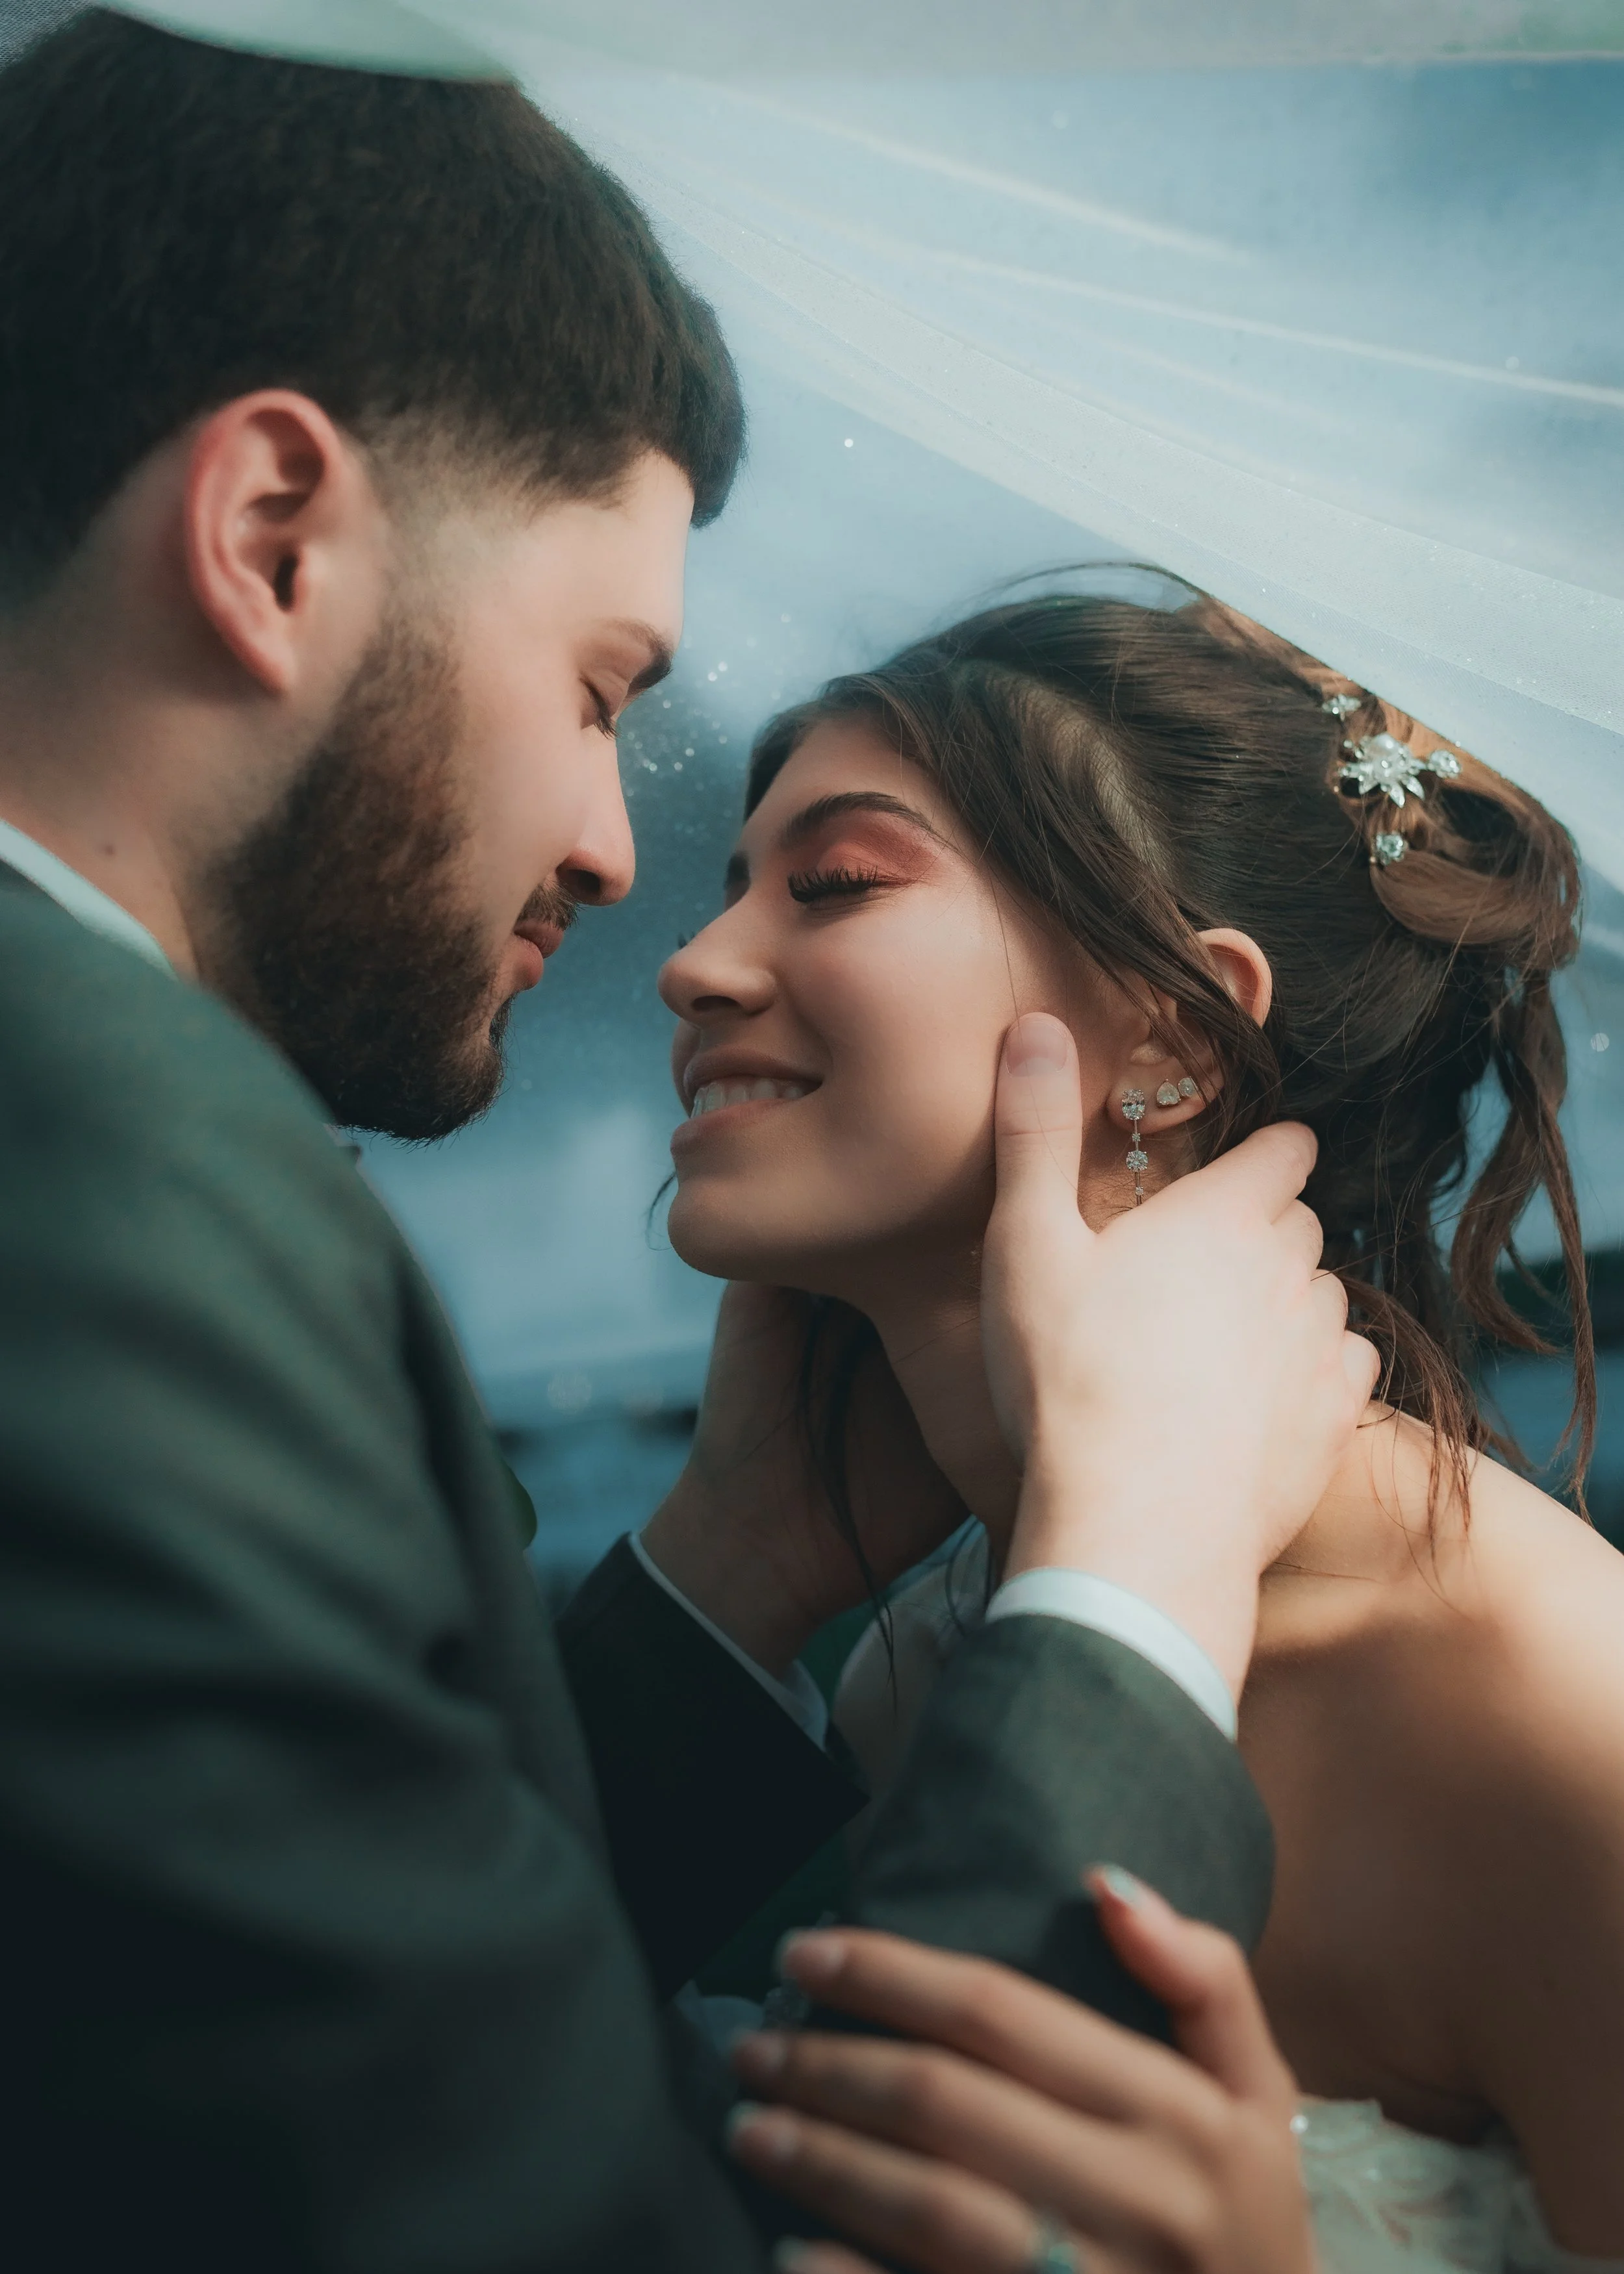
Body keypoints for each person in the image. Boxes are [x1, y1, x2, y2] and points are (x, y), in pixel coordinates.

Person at [0, 16, 1372, 2272]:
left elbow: (289, 2037)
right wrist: (1135, 1568)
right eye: (599, 689)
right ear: (267, 538)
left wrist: (736, 1562)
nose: (623, 876)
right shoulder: (107, 1193)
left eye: (829, 878)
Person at [654, 585, 1624, 2268]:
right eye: (729, 885)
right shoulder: (924, 1658)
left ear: (1168, 1039)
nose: (691, 962)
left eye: (834, 885)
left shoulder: (1534, 1691)